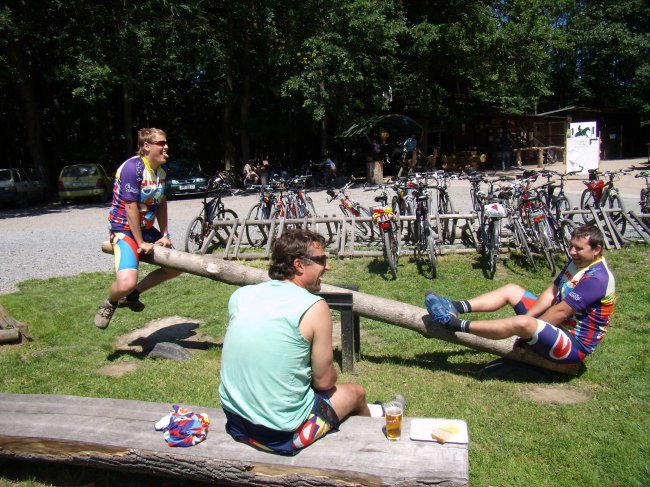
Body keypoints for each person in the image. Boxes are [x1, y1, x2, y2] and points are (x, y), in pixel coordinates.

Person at [219, 229, 403, 455]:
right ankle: (374, 446)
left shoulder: (241, 296)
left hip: (236, 422)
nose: (328, 266)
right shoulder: (315, 307)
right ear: (299, 265)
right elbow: (324, 382)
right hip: (279, 435)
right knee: (356, 392)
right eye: (321, 260)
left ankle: (378, 411)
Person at [425, 224, 615, 365]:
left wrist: (527, 334)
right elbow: (552, 292)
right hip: (559, 325)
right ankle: (455, 306)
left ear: (597, 249)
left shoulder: (597, 278)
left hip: (573, 344)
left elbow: (561, 311)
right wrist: (531, 319)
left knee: (521, 323)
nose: (572, 252)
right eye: (571, 246)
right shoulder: (578, 263)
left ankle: (452, 324)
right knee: (512, 290)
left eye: (579, 248)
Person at [93, 128, 182, 329]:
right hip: (123, 228)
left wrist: (165, 234)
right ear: (146, 146)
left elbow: (162, 203)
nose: (166, 147)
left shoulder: (161, 171)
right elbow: (130, 207)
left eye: (166, 142)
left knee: (175, 268)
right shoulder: (133, 168)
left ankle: (132, 295)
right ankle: (110, 303)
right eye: (161, 143)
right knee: (126, 283)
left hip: (146, 228)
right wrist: (140, 242)